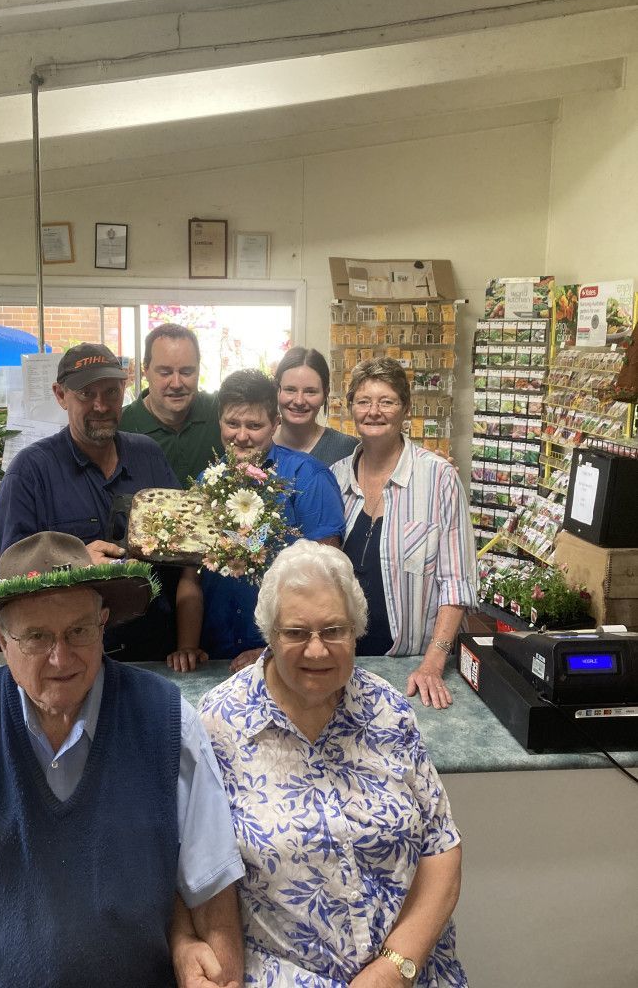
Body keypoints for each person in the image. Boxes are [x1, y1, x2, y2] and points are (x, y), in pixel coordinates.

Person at [0, 531, 245, 988]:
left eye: (78, 631)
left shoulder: (167, 723)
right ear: (1, 642)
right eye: (36, 637)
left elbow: (212, 894)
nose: (60, 656)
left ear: (104, 623)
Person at [199, 540, 466, 988]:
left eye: (334, 631)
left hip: (410, 974)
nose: (317, 651)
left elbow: (441, 847)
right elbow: (193, 872)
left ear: (356, 630)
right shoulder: (218, 723)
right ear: (270, 633)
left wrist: (393, 969)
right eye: (297, 633)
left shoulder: (388, 711)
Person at [0, 341, 189, 659]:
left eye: (111, 392)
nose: (101, 405)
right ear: (60, 395)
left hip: (155, 651)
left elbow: (185, 548)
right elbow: (1, 584)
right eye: (86, 394)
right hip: (70, 657)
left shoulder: (148, 455)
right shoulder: (29, 473)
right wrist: (74, 567)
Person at [168, 369, 345, 674]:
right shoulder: (206, 482)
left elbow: (325, 581)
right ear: (219, 421)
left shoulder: (307, 478)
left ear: (275, 423)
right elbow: (190, 578)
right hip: (215, 659)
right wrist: (187, 645)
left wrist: (276, 648)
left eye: (254, 425)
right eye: (232, 423)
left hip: (286, 661)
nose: (241, 436)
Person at [330, 358, 477, 709]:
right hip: (343, 666)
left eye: (387, 401)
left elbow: (457, 582)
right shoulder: (334, 479)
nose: (374, 411)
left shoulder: (439, 478)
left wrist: (433, 662)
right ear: (351, 407)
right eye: (363, 401)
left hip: (412, 668)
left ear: (406, 408)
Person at [120, 324, 224, 487]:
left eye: (186, 372)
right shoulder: (120, 426)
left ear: (198, 370)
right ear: (146, 370)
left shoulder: (222, 412)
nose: (176, 384)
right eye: (165, 372)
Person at [273, 345, 359, 465]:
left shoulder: (346, 450)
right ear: (276, 390)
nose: (299, 401)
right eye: (290, 390)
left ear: (325, 394)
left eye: (310, 391)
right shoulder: (259, 443)